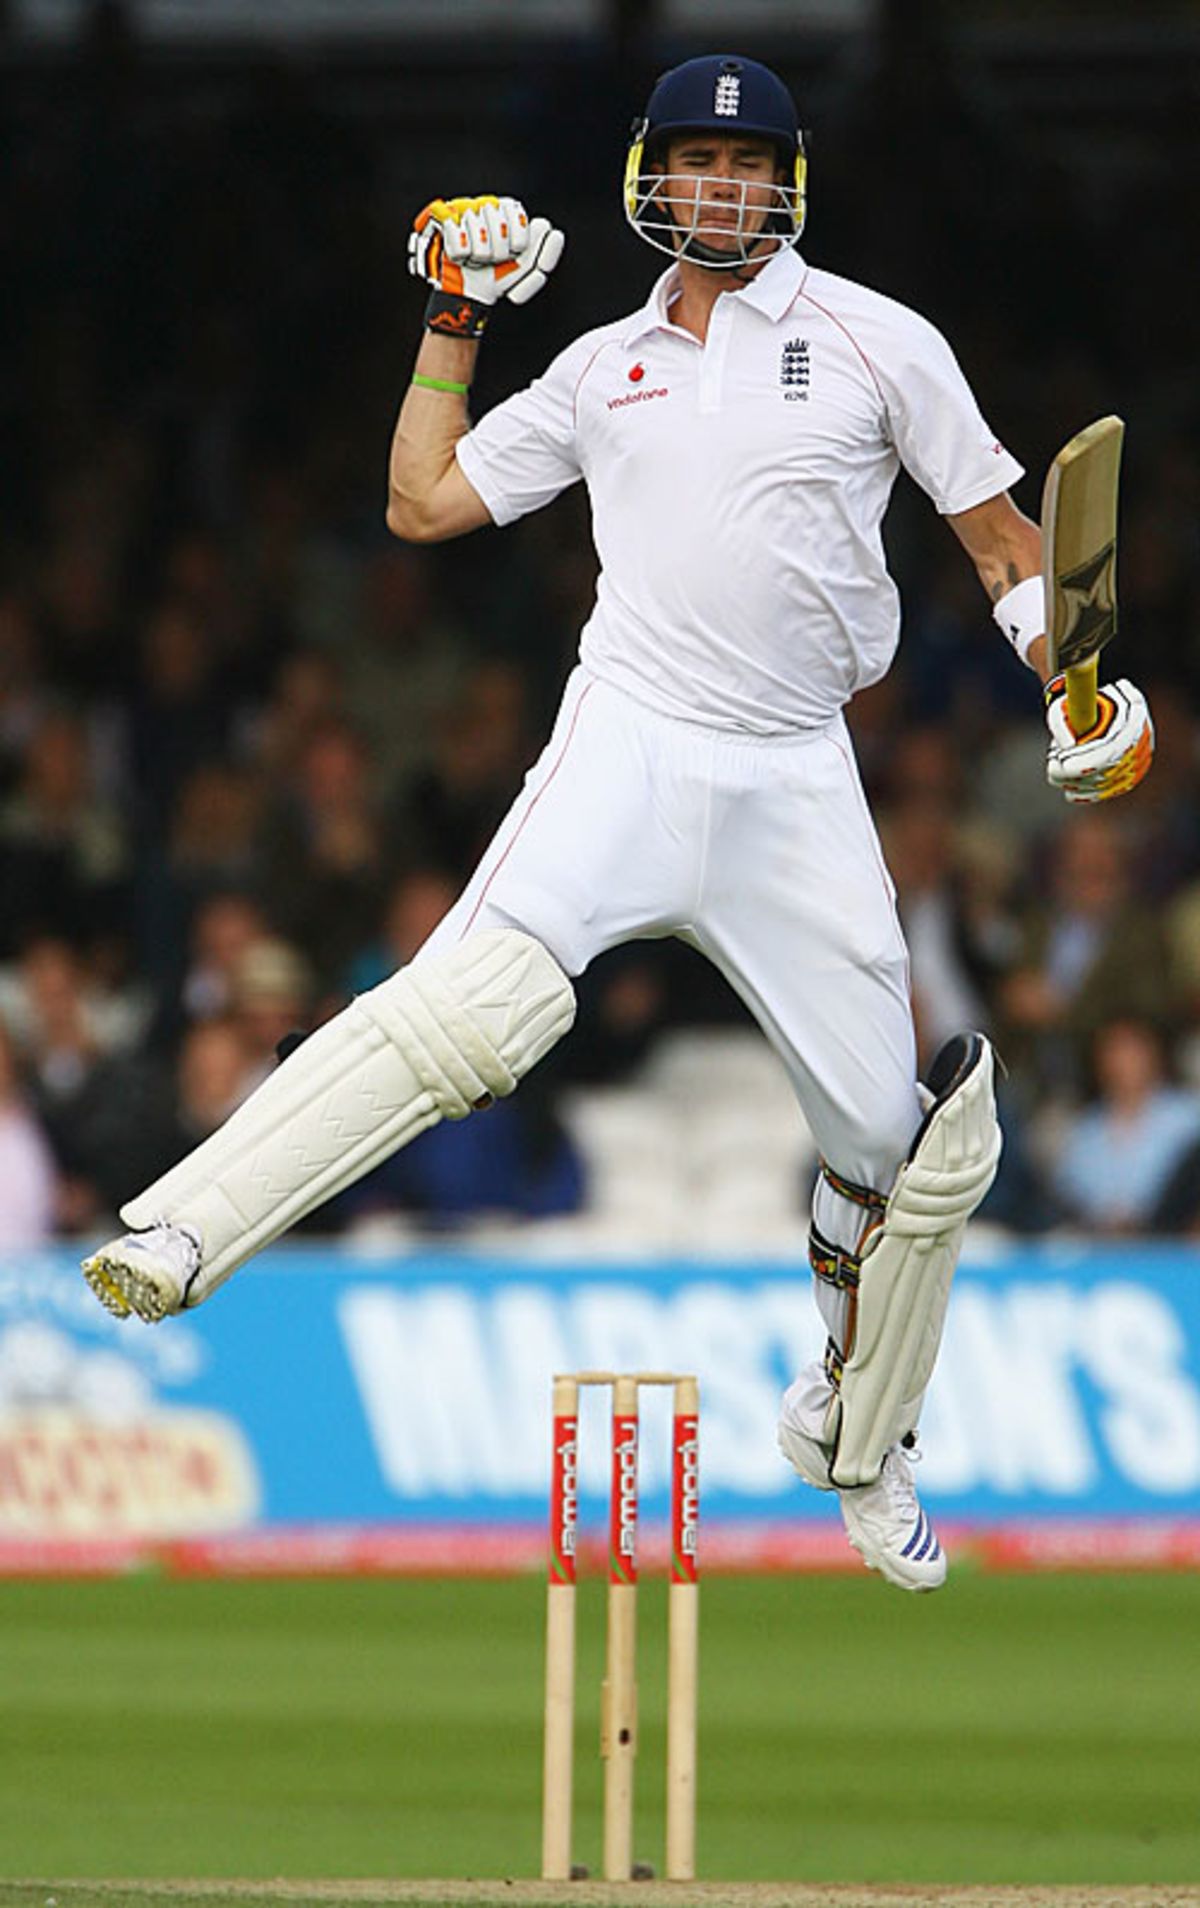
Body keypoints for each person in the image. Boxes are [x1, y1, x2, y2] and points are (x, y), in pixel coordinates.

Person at [80, 55, 1154, 1591]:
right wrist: (451, 325)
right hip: (630, 742)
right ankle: (187, 1233)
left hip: (797, 769)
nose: (721, 187)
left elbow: (1003, 545)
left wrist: (1078, 686)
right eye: (698, 161)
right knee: (473, 1005)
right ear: (657, 172)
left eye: (749, 165)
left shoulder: (878, 342)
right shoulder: (598, 366)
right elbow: (425, 505)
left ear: (786, 185)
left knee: (902, 1148)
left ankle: (861, 1444)